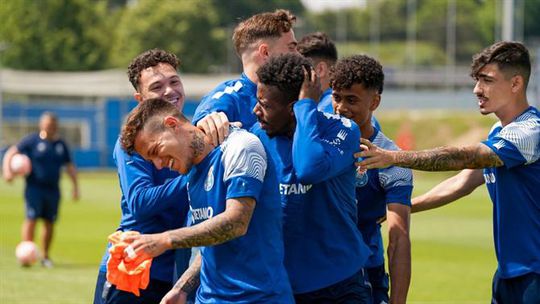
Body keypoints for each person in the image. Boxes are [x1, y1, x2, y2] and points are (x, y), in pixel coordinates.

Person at [358, 41, 540, 303]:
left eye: (487, 80)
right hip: (509, 273)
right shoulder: (498, 133)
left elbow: (462, 158)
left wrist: (392, 157)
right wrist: (405, 207)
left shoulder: (530, 131)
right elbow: (463, 181)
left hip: (534, 273)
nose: (477, 89)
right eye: (477, 80)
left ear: (515, 84)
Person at [119, 98, 293, 304]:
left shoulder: (241, 146)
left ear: (172, 125)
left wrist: (164, 240)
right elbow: (210, 242)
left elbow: (237, 222)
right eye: (151, 160)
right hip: (209, 297)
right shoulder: (191, 173)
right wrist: (181, 288)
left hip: (258, 297)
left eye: (156, 151)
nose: (158, 165)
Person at [93, 49, 228, 304]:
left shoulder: (197, 134)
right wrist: (198, 171)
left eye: (174, 81)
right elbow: (140, 202)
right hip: (134, 269)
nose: (169, 91)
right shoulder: (132, 143)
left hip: (178, 271)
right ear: (140, 98)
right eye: (157, 86)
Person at [252, 53, 373, 303]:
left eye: (265, 105)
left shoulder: (342, 130)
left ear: (293, 108)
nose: (256, 111)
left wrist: (307, 105)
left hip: (340, 284)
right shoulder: (256, 137)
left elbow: (308, 169)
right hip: (284, 287)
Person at [331, 55, 413, 304]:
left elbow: (398, 239)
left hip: (366, 273)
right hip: (317, 273)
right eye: (337, 97)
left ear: (375, 101)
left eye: (352, 100)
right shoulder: (314, 146)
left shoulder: (392, 161)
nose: (341, 108)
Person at [192, 9, 299, 130]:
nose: (299, 55)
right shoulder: (227, 100)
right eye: (291, 48)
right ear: (265, 52)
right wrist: (206, 123)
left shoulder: (302, 94)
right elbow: (203, 127)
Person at [2, 112, 79, 268]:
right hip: (34, 188)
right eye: (48, 124)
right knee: (31, 219)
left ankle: (45, 256)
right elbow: (11, 152)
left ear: (56, 126)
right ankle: (26, 254)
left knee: (49, 222)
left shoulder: (60, 144)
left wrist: (75, 187)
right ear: (41, 125)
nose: (50, 127)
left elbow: (69, 166)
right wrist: (8, 171)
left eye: (53, 124)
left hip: (53, 189)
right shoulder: (32, 141)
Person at [298, 32, 382, 130]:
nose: (295, 75)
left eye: (301, 69)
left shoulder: (325, 110)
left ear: (320, 69)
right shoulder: (325, 104)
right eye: (337, 98)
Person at [297, 31, 337, 113]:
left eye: (302, 69)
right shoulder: (340, 102)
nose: (297, 74)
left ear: (320, 70)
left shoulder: (324, 108)